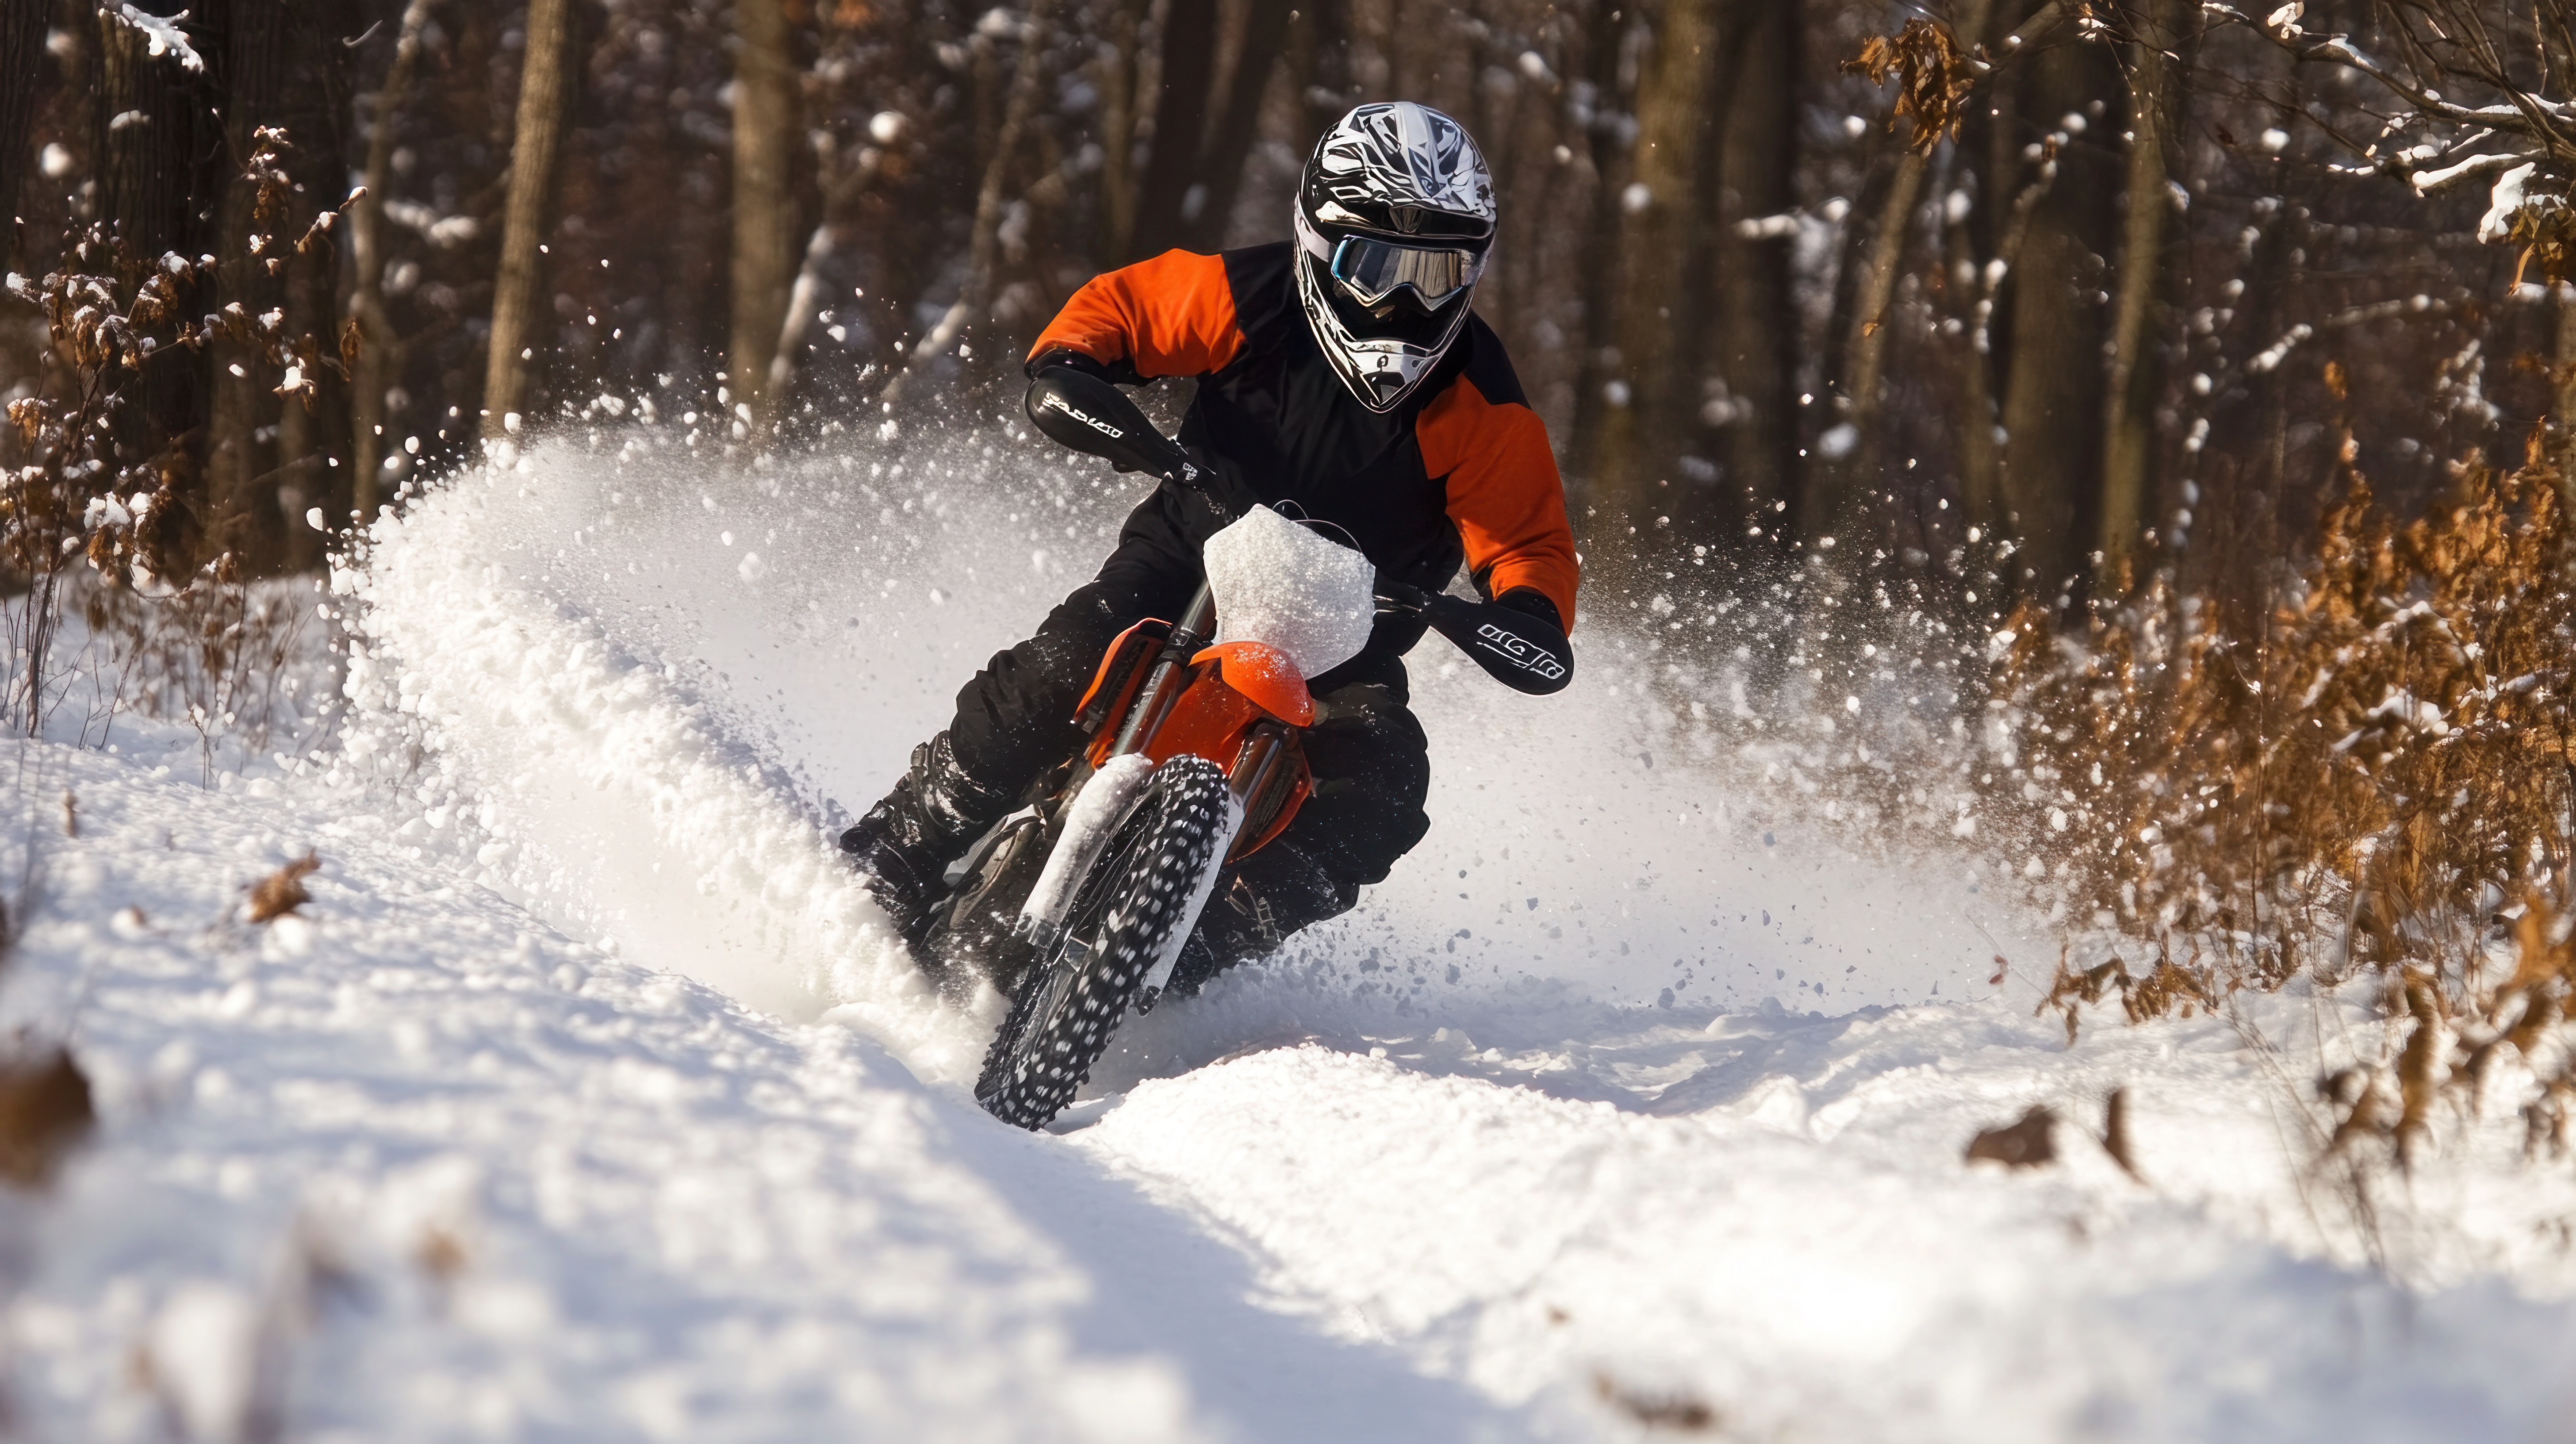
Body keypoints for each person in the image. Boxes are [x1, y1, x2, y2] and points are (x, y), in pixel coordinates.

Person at [841, 100, 1578, 993]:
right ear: (1317, 241)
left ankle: (1188, 953)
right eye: (1375, 264)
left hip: (1345, 639)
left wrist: (1528, 609)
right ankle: (906, 840)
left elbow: (1528, 542)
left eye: (1435, 272)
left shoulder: (1485, 403)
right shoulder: (1251, 297)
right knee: (1066, 661)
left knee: (1381, 794)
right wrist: (1075, 362)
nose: (1401, 300)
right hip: (1187, 569)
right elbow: (1120, 310)